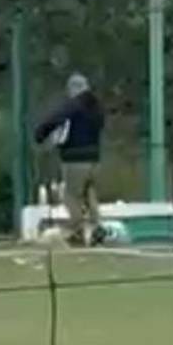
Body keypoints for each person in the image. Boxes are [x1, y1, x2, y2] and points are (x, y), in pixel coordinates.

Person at [33, 73, 107, 247]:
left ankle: (77, 231)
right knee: (89, 194)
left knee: (70, 196)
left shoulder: (73, 106)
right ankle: (97, 227)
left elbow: (54, 119)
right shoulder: (97, 108)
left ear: (74, 88)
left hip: (75, 158)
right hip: (94, 158)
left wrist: (40, 134)